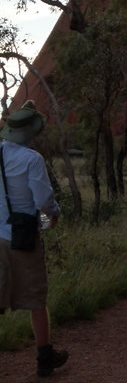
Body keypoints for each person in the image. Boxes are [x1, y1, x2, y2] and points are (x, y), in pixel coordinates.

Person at [0, 100, 69, 378]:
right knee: (36, 298)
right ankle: (44, 358)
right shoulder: (32, 159)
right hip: (23, 239)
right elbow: (44, 201)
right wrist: (54, 215)